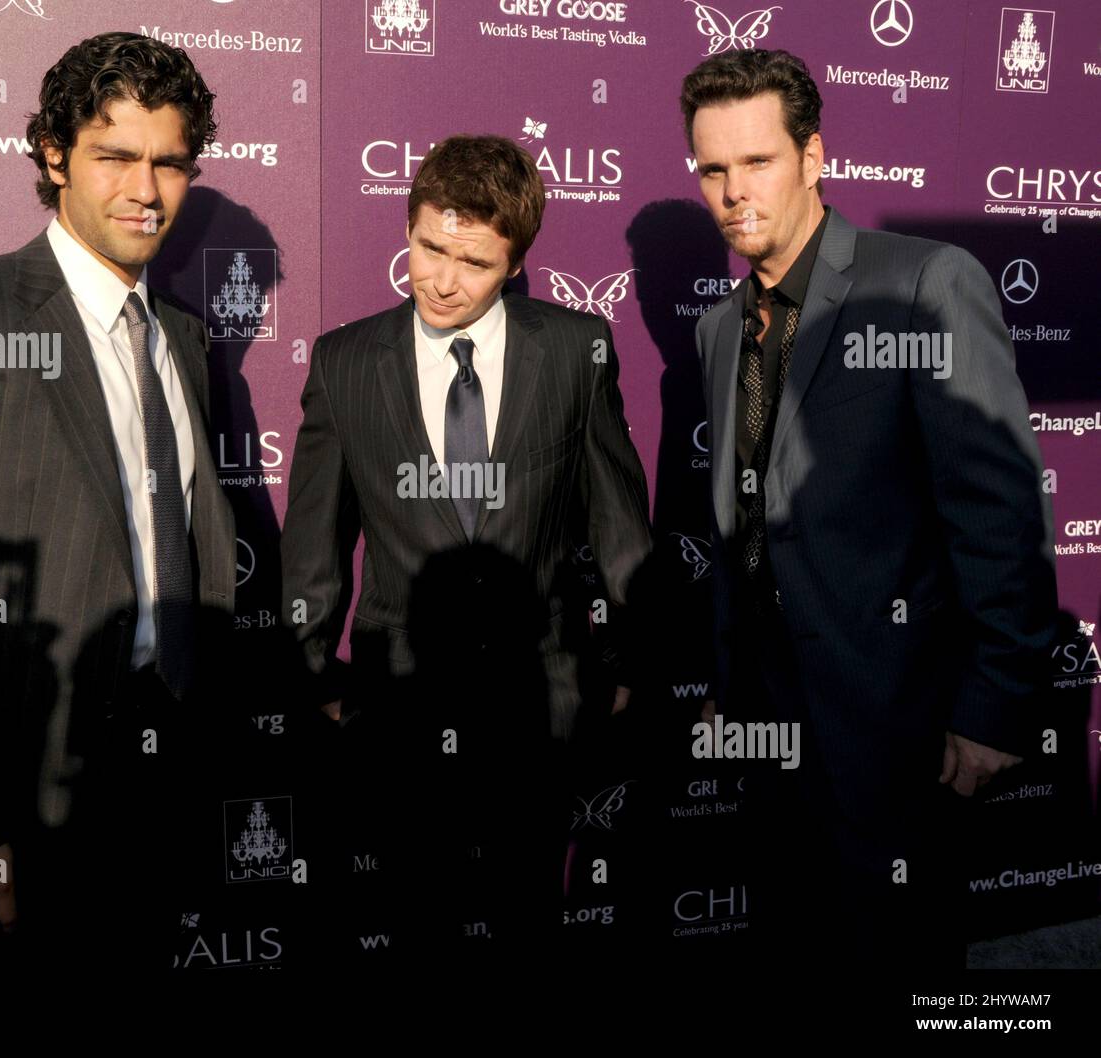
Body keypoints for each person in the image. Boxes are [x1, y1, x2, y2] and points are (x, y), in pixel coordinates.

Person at [0, 31, 237, 969]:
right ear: (54, 154)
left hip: (168, 772)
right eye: (115, 156)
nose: (145, 190)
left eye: (169, 163)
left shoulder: (181, 338)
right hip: (18, 798)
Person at [682, 49, 1056, 967]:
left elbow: (998, 513)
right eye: (712, 169)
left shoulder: (924, 283)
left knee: (899, 958)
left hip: (898, 723)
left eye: (757, 161)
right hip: (769, 725)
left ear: (813, 156)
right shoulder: (721, 326)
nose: (733, 191)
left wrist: (994, 704)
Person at [280, 135, 653, 964]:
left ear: (515, 261)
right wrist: (317, 680)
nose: (442, 280)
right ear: (409, 225)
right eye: (429, 247)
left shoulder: (574, 350)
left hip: (541, 700)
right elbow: (313, 544)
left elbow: (621, 528)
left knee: (530, 921)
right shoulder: (345, 363)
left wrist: (625, 666)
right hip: (402, 705)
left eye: (474, 263)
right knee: (418, 927)